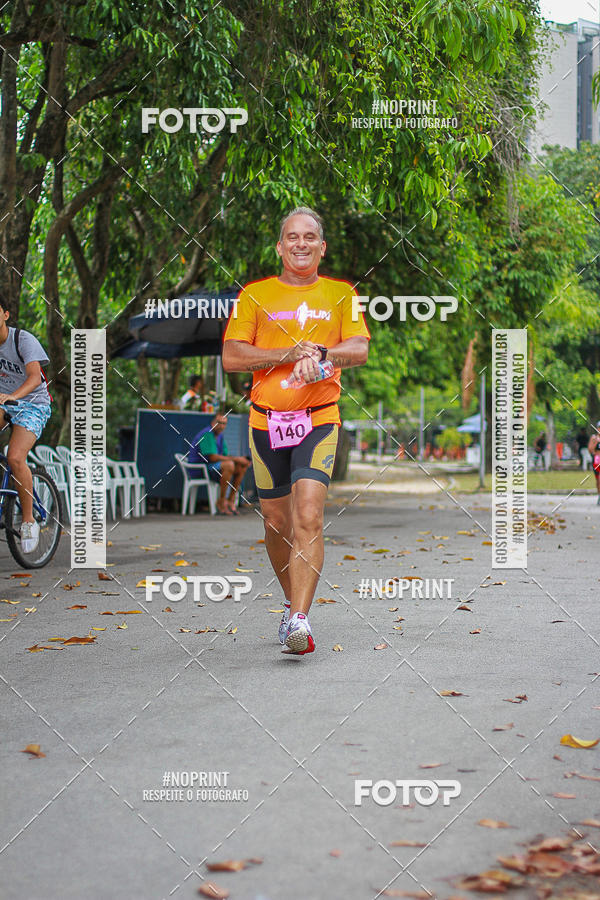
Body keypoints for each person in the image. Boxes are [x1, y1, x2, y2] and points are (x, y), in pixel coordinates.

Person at [222, 206, 370, 655]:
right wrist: (289, 353)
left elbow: (359, 349)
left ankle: (300, 621)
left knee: (308, 516)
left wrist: (322, 353)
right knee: (276, 521)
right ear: (280, 246)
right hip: (266, 423)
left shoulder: (342, 294)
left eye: (309, 237)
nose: (300, 244)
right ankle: (291, 605)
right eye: (292, 237)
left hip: (318, 419)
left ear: (322, 248)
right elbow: (232, 356)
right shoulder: (254, 295)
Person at [0, 293, 52, 552]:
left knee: (15, 457)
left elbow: (34, 378)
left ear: (5, 314)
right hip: (3, 402)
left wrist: (13, 396)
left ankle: (29, 520)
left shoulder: (23, 340)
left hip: (34, 404)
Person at [188, 413, 250, 515]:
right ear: (213, 423)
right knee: (229, 465)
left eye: (224, 424)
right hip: (199, 469)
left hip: (213, 468)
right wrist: (237, 459)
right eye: (219, 423)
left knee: (241, 466)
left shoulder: (220, 436)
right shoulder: (207, 434)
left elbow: (225, 456)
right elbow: (212, 457)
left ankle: (230, 501)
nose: (221, 426)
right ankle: (221, 502)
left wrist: (240, 461)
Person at [588, 425, 600, 504]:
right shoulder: (594, 438)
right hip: (597, 459)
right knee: (598, 479)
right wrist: (596, 441)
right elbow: (590, 450)